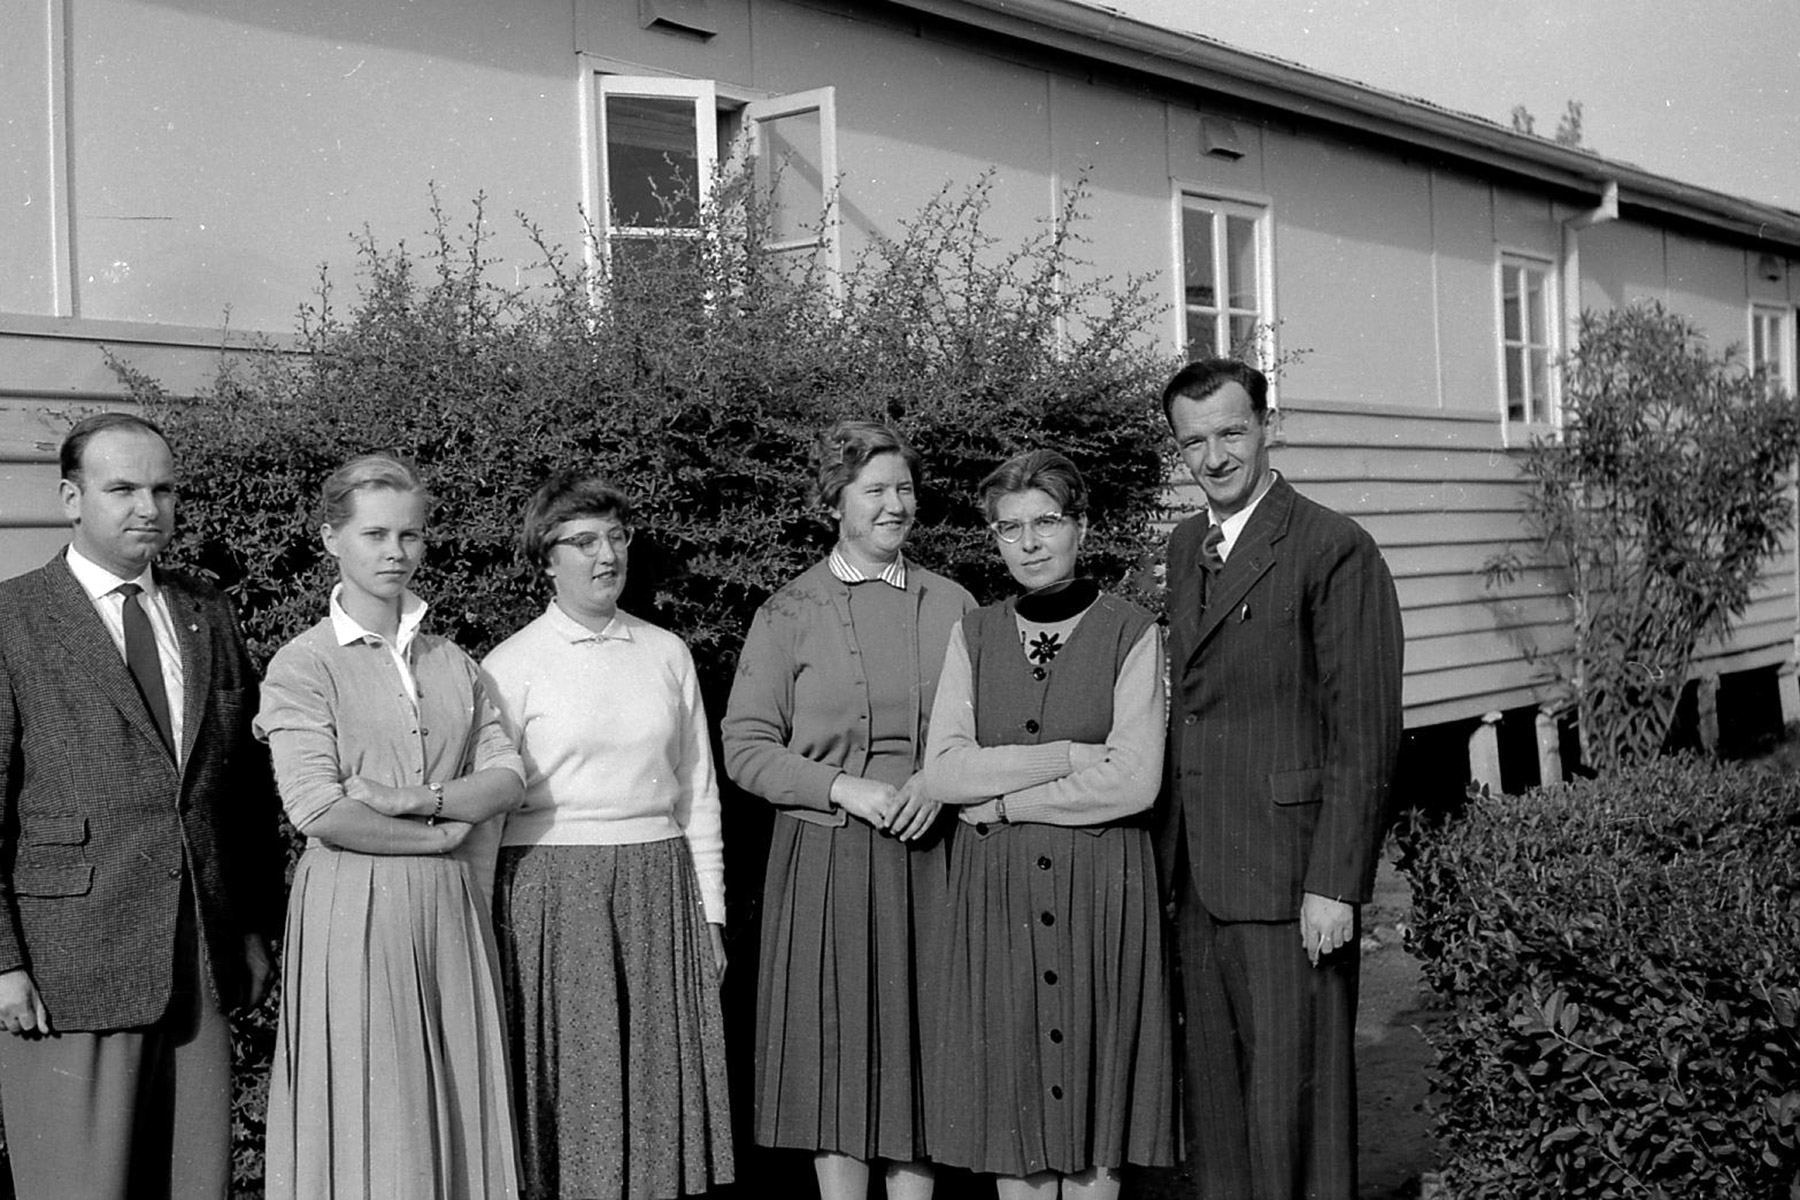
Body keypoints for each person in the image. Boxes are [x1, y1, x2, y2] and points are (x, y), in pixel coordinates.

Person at [0, 412, 281, 1198]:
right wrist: (3, 963)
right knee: (77, 1184)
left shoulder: (205, 611)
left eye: (161, 488)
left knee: (192, 1182)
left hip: (201, 953)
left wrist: (253, 925)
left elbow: (244, 791)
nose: (146, 507)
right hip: (67, 962)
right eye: (122, 488)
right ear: (70, 496)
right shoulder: (13, 617)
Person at [1157, 359, 1405, 1200]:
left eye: (1230, 431)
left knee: (1291, 1117)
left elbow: (1364, 732)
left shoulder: (1334, 547)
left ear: (1268, 424)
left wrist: (1336, 884)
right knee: (1221, 1115)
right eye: (1194, 442)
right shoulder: (1186, 545)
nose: (1215, 455)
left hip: (1291, 878)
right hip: (1200, 877)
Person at [254, 453, 525, 1199]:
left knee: (455, 1096)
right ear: (330, 538)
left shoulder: (453, 662)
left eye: (410, 535)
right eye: (375, 534)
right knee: (374, 1098)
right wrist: (441, 837)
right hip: (354, 908)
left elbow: (506, 778)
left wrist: (420, 802)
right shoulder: (304, 666)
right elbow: (320, 809)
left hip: (447, 911)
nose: (395, 553)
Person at [722, 419, 974, 1200]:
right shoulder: (789, 610)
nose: (894, 505)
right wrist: (843, 788)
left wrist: (937, 782)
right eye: (875, 491)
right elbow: (746, 746)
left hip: (932, 857)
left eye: (904, 489)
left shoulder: (955, 603)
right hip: (825, 863)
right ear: (836, 502)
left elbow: (985, 730)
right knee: (837, 1054)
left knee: (917, 1053)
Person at [921, 449, 1176, 1200]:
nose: (1029, 543)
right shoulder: (972, 634)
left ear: (1082, 527)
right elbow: (943, 771)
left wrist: (1004, 802)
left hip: (1102, 889)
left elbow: (1134, 780)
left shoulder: (1133, 631)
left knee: (1097, 1125)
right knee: (1017, 1117)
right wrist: (1066, 755)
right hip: (998, 898)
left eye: (1047, 522)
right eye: (1009, 529)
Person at [483, 473, 733, 1199]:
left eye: (616, 538)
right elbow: (491, 812)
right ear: (546, 560)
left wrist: (710, 916)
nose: (605, 556)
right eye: (583, 541)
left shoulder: (667, 653)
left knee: (656, 1090)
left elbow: (697, 792)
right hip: (551, 898)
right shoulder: (509, 667)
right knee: (572, 1090)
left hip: (659, 890)